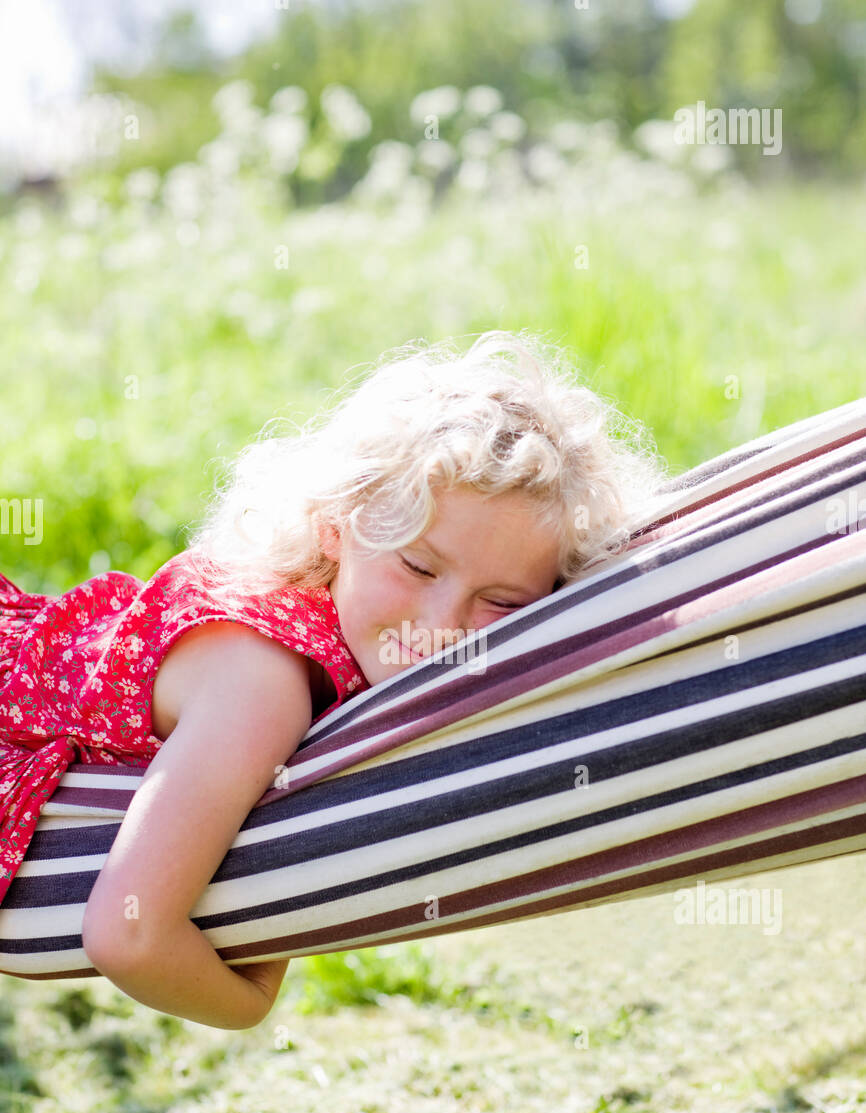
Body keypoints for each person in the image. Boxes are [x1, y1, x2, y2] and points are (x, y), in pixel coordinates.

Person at [0, 329, 666, 1029]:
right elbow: (130, 936)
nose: (441, 624)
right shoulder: (261, 686)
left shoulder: (318, 625)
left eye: (502, 603)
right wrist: (251, 1000)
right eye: (416, 566)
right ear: (334, 528)